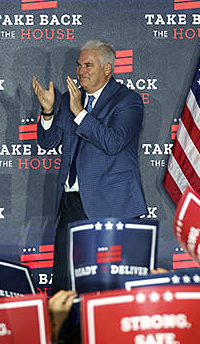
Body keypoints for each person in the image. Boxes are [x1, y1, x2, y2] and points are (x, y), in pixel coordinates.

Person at [33, 40, 145, 295]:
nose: (81, 70)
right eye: (79, 65)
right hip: (72, 203)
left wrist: (80, 112)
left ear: (107, 69)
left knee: (109, 289)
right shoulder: (69, 97)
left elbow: (114, 142)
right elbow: (48, 142)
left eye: (88, 65)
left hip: (111, 204)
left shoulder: (128, 101)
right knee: (64, 283)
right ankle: (64, 333)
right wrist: (48, 111)